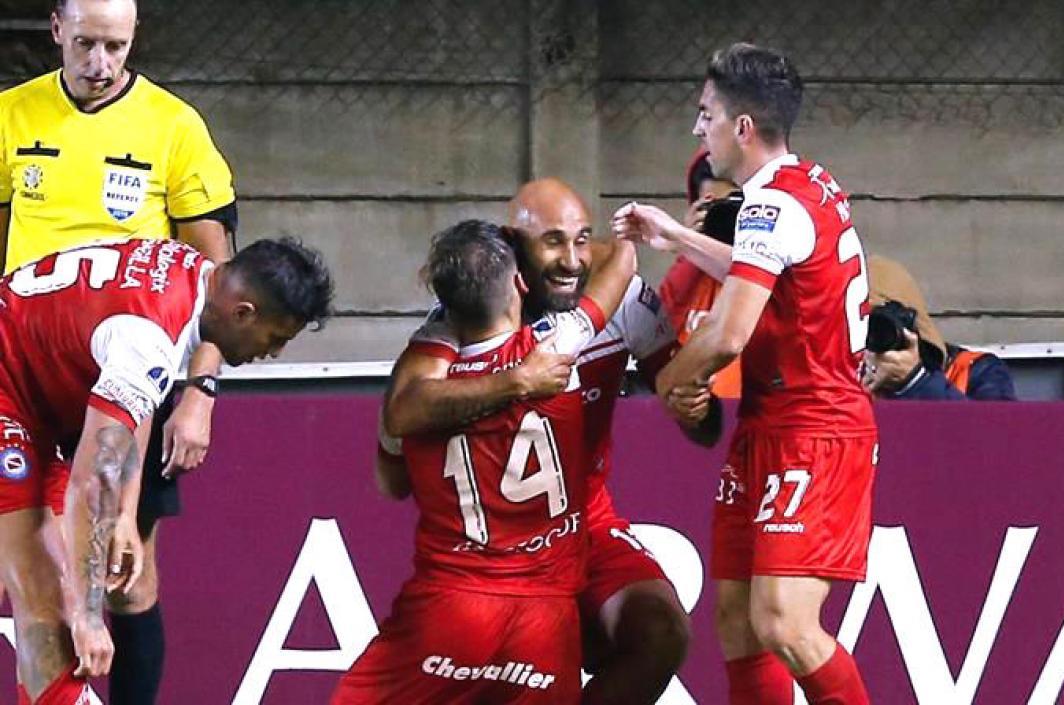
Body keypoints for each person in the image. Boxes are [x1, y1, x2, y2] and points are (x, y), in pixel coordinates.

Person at [378, 179, 719, 705]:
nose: (571, 260)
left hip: (588, 522)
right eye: (553, 242)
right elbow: (401, 425)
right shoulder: (465, 318)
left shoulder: (621, 296)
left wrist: (696, 405)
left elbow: (695, 412)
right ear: (513, 247)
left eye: (582, 240)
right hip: (500, 551)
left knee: (661, 634)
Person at [613, 43, 875, 704]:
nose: (698, 128)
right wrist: (676, 237)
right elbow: (768, 266)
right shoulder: (803, 184)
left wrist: (671, 379)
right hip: (770, 424)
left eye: (706, 115)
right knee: (737, 622)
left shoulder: (770, 206)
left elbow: (729, 334)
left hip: (814, 428)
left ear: (742, 128)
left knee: (783, 620)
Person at [0, 1, 238, 700]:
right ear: (55, 31)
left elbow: (218, 275)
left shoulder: (174, 127)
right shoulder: (12, 115)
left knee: (126, 576)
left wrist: (202, 392)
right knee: (40, 574)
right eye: (85, 45)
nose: (100, 64)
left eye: (115, 46)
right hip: (29, 370)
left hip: (132, 371)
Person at [0, 236, 332, 704]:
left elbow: (132, 414)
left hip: (28, 406)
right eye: (275, 338)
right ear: (244, 312)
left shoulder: (186, 273)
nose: (272, 353)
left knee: (40, 591)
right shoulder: (150, 334)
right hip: (9, 397)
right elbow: (93, 477)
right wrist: (91, 614)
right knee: (45, 596)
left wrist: (126, 514)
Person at [332, 220, 636, 704]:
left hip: (447, 608)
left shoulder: (418, 390)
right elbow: (623, 260)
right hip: (542, 619)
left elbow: (390, 479)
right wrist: (554, 245)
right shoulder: (555, 351)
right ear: (520, 282)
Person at [862, 255, 1017, 400]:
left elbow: (995, 427)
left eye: (875, 327)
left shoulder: (977, 371)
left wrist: (916, 380)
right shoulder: (844, 382)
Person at [658, 149, 742, 399]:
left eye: (733, 206)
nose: (726, 217)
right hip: (701, 417)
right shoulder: (689, 273)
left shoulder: (778, 269)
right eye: (714, 208)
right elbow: (662, 324)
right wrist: (690, 243)